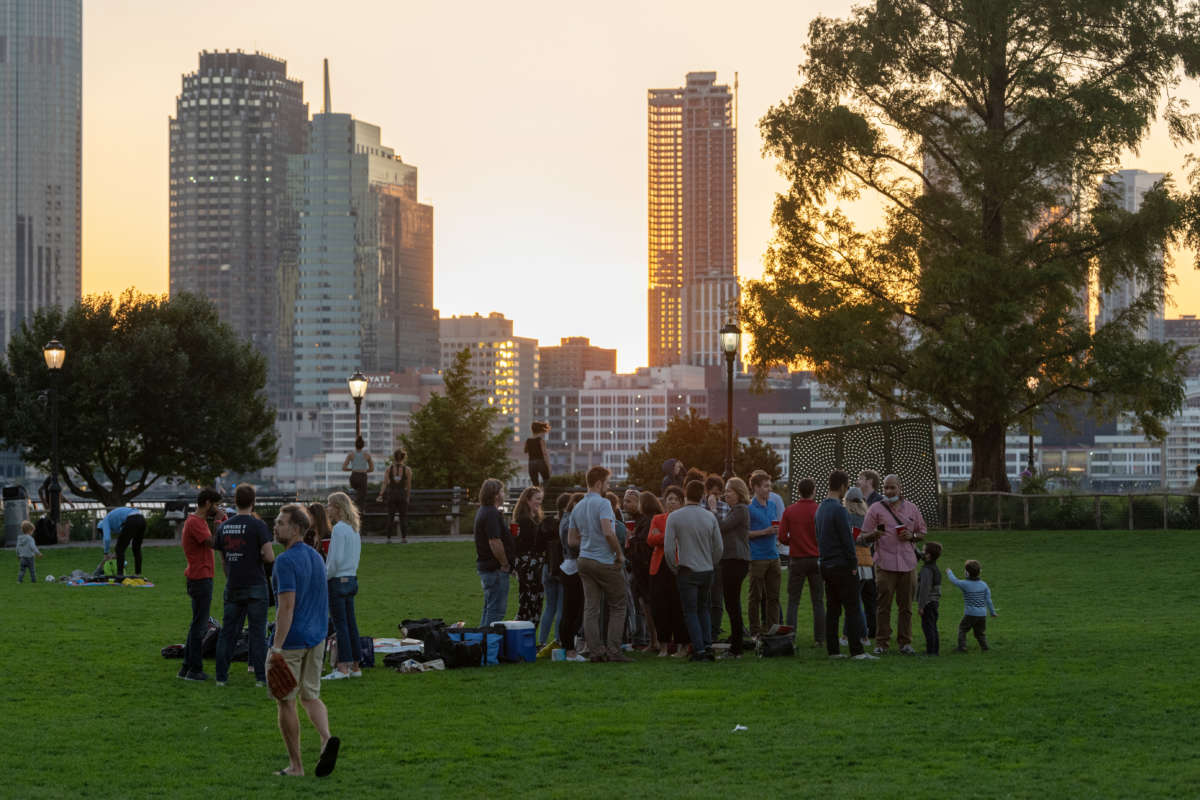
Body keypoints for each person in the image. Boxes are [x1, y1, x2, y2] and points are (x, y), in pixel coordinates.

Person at [269, 503, 340, 778]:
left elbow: (286, 608)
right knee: (310, 696)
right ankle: (325, 739)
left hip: (292, 641)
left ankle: (296, 766)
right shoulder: (314, 556)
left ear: (296, 529)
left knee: (285, 700)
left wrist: (276, 647)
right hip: (317, 636)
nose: (275, 527)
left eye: (281, 523)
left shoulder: (284, 562)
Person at [859, 474, 928, 655]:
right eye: (886, 488)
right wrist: (874, 534)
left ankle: (905, 642)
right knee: (883, 606)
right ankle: (881, 643)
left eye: (892, 488)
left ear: (900, 488)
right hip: (885, 564)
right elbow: (862, 536)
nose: (889, 491)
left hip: (907, 564)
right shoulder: (875, 509)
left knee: (906, 607)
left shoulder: (912, 509)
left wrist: (911, 537)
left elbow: (922, 532)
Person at [214, 484, 276, 687]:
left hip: (233, 584)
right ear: (253, 501)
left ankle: (221, 676)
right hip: (256, 584)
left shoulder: (223, 527)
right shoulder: (258, 526)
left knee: (228, 632)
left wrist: (231, 574)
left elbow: (223, 560)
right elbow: (269, 556)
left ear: (235, 501)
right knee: (257, 633)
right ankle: (260, 677)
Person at [569, 466, 630, 662]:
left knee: (591, 608)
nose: (608, 486)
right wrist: (619, 554)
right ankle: (614, 651)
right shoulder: (603, 503)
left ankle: (595, 651)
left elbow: (571, 540)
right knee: (619, 605)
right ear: (598, 483)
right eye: (607, 483)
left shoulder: (577, 506)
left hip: (584, 560)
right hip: (603, 560)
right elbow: (607, 532)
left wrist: (588, 541)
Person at [815, 471, 875, 660]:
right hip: (842, 564)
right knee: (852, 608)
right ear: (842, 486)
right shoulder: (839, 510)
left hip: (826, 563)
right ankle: (857, 651)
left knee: (832, 609)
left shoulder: (821, 509)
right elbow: (847, 539)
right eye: (847, 486)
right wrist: (853, 563)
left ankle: (833, 650)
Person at [664, 480, 724, 662]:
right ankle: (707, 644)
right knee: (703, 609)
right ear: (703, 496)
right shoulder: (710, 517)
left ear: (685, 494)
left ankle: (698, 649)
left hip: (686, 568)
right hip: (706, 569)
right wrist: (711, 562)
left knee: (690, 611)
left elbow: (668, 548)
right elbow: (719, 547)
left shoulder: (674, 517)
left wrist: (675, 567)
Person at [179, 488, 221, 682]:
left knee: (197, 623)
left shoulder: (195, 521)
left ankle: (186, 667)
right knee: (200, 626)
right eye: (215, 504)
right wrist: (220, 523)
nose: (217, 508)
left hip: (198, 576)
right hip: (201, 577)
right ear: (207, 503)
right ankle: (195, 670)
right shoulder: (196, 522)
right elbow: (212, 542)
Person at [778, 477, 825, 647]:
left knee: (793, 600)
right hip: (816, 558)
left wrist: (795, 541)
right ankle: (820, 638)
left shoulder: (790, 511)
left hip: (797, 559)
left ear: (799, 491)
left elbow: (782, 537)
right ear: (813, 491)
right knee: (818, 600)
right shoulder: (819, 510)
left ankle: (790, 637)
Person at [323, 492, 363, 680]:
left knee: (340, 626)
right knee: (351, 623)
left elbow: (334, 560)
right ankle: (356, 666)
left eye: (329, 505)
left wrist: (325, 576)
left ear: (337, 508)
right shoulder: (354, 528)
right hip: (351, 578)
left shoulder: (338, 529)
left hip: (337, 580)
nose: (327, 509)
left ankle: (342, 667)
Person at [648, 486, 687, 657]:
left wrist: (662, 536)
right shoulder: (657, 518)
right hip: (659, 567)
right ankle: (663, 646)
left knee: (678, 606)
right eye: (669, 498)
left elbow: (683, 539)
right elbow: (651, 539)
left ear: (681, 502)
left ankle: (681, 645)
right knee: (660, 607)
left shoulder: (684, 520)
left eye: (675, 499)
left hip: (678, 566)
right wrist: (669, 536)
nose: (671, 502)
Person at [716, 477, 751, 657]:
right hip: (732, 560)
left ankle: (736, 647)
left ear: (738, 493)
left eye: (729, 491)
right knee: (731, 603)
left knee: (732, 604)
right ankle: (736, 641)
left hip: (735, 560)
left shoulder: (740, 509)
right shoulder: (735, 510)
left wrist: (713, 508)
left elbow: (721, 526)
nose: (725, 494)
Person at [746, 470, 782, 639]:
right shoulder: (749, 509)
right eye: (766, 486)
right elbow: (745, 534)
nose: (769, 489)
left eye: (770, 485)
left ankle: (772, 630)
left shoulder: (773, 505)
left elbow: (776, 526)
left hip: (773, 556)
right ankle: (755, 631)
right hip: (757, 557)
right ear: (756, 487)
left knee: (774, 597)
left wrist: (777, 532)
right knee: (756, 596)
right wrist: (765, 531)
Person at [474, 478, 513, 626]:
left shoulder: (483, 511)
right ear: (496, 495)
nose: (504, 494)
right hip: (494, 568)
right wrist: (504, 563)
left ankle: (481, 641)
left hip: (486, 567)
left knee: (489, 608)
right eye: (502, 491)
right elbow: (494, 541)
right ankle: (488, 643)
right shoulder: (491, 513)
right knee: (496, 610)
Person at [626, 490, 658, 652]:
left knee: (648, 606)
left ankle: (654, 640)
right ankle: (653, 640)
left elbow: (643, 547)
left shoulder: (647, 521)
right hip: (644, 569)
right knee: (646, 606)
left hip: (645, 570)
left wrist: (630, 539)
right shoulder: (644, 520)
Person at [843, 486, 875, 645]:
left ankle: (861, 636)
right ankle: (849, 635)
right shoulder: (867, 516)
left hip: (853, 562)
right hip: (866, 563)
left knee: (853, 601)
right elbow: (871, 540)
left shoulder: (847, 516)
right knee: (855, 600)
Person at [537, 493, 569, 651]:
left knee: (549, 606)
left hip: (547, 566)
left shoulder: (547, 522)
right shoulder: (566, 524)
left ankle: (542, 641)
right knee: (561, 607)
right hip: (563, 568)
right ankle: (558, 640)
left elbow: (539, 545)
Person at [557, 492, 586, 661]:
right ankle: (569, 649)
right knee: (572, 610)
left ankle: (568, 646)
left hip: (571, 566)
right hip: (572, 567)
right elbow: (572, 545)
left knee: (573, 610)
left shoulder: (567, 518)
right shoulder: (570, 521)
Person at [947, 559, 998, 652]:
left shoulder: (964, 584)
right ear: (979, 572)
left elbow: (954, 580)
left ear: (967, 573)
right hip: (982, 614)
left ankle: (962, 647)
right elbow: (988, 600)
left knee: (962, 629)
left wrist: (949, 572)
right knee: (980, 633)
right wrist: (992, 612)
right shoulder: (984, 585)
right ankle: (985, 647)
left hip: (970, 613)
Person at [512, 486, 547, 623]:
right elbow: (520, 543)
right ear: (528, 500)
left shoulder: (536, 519)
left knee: (535, 601)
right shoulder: (524, 520)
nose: (539, 502)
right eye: (537, 499)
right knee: (528, 601)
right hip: (528, 565)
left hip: (534, 565)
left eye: (541, 499)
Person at [704, 474, 731, 641]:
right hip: (702, 557)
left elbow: (720, 530)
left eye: (718, 493)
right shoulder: (699, 507)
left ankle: (714, 631)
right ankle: (705, 631)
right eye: (712, 493)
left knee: (716, 598)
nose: (715, 496)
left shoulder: (725, 508)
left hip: (719, 557)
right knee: (703, 598)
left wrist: (714, 510)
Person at [97, 506, 147, 577]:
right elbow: (125, 537)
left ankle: (120, 575)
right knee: (136, 548)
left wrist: (106, 553)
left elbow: (107, 539)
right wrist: (116, 552)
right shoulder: (115, 521)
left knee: (119, 549)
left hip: (132, 519)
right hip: (142, 519)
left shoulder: (105, 520)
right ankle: (138, 574)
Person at [376, 449, 411, 543]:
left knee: (390, 517)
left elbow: (385, 483)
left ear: (394, 457)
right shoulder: (407, 470)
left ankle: (388, 538)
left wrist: (380, 494)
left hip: (391, 495)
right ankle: (403, 538)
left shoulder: (389, 469)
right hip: (402, 495)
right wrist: (408, 497)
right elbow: (408, 486)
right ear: (404, 458)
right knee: (403, 517)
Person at [917, 541, 943, 655]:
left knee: (928, 627)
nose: (921, 553)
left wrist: (921, 606)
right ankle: (934, 650)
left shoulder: (927, 570)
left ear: (928, 555)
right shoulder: (934, 567)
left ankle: (931, 651)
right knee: (933, 626)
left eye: (923, 551)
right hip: (934, 602)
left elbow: (924, 589)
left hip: (928, 602)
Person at [341, 437, 374, 511]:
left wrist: (352, 469)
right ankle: (360, 513)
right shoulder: (367, 455)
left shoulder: (351, 454)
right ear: (363, 445)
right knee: (362, 497)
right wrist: (364, 470)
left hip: (354, 476)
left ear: (355, 445)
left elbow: (344, 468)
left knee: (353, 494)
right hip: (362, 477)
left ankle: (351, 509)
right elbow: (372, 469)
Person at [524, 421, 551, 487]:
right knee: (546, 480)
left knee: (535, 483)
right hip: (540, 462)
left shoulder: (528, 440)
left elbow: (525, 451)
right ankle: (544, 495)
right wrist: (548, 466)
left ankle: (536, 495)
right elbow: (544, 453)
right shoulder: (540, 440)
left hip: (531, 463)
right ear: (540, 430)